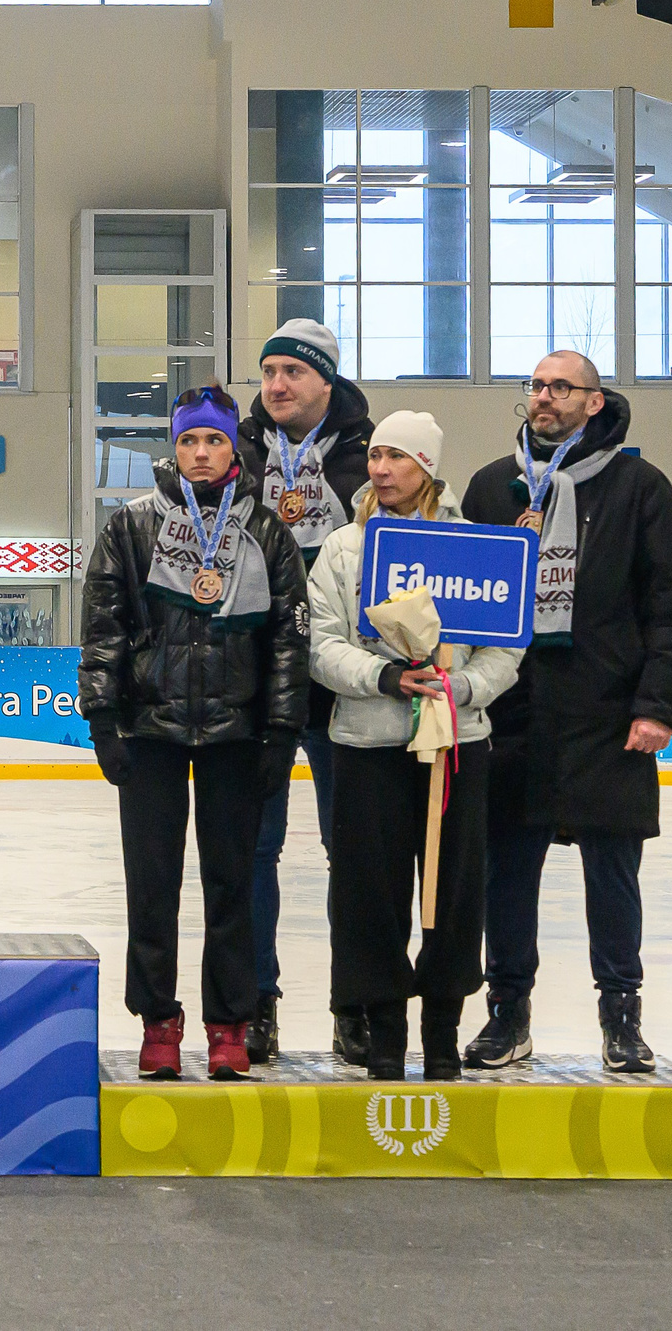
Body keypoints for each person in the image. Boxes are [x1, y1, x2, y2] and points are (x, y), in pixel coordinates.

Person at [460, 351, 672, 1075]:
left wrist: (655, 705)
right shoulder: (492, 487)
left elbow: (669, 608)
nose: (544, 397)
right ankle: (508, 1013)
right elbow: (463, 602)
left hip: (607, 712)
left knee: (614, 875)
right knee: (506, 874)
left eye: (561, 386)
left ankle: (621, 1014)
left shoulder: (639, 486)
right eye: (535, 385)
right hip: (514, 713)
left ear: (596, 402)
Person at [80, 385, 310, 1082]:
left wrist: (279, 732)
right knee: (150, 884)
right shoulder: (132, 525)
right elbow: (102, 628)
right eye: (188, 441)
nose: (201, 453)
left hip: (237, 735)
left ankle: (228, 1022)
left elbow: (289, 643)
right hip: (150, 729)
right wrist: (101, 719)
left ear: (233, 447)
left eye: (213, 440)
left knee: (232, 884)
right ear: (172, 448)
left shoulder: (265, 531)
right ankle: (158, 1019)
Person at [306, 412, 521, 1082]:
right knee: (368, 893)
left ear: (426, 465)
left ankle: (440, 1032)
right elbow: (321, 642)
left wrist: (459, 688)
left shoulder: (470, 545)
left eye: (396, 456)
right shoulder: (344, 549)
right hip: (366, 746)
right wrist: (384, 676)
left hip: (456, 746)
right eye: (374, 455)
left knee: (453, 892)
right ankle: (384, 1031)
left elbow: (506, 644)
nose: (380, 468)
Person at [234, 316, 374, 1065]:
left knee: (349, 849)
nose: (277, 385)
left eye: (293, 371)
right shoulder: (237, 451)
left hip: (342, 682)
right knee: (253, 849)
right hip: (258, 680)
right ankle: (257, 1004)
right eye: (269, 372)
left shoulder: (371, 453)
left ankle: (352, 1004)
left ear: (326, 380)